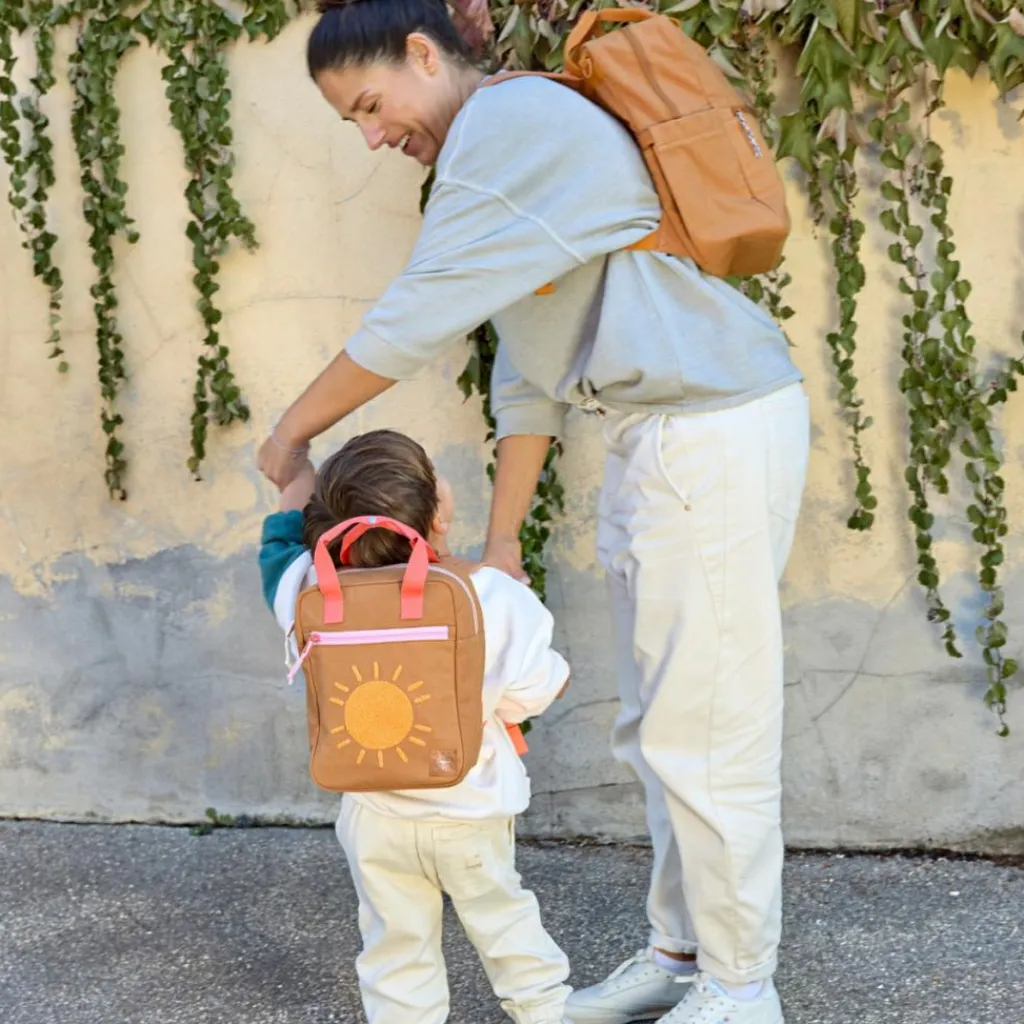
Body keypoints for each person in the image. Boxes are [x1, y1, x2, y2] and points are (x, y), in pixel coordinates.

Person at [257, 3, 810, 1023]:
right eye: (355, 125)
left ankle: (742, 989)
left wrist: (289, 437)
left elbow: (416, 315)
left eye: (373, 106)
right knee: (660, 725)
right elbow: (527, 369)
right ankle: (685, 955)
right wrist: (502, 542)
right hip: (659, 435)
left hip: (711, 428)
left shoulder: (512, 130)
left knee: (710, 728)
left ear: (425, 53)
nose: (376, 138)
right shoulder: (493, 162)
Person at [259, 428, 573, 1024]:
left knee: (396, 949)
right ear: (438, 514)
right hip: (472, 811)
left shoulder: (305, 587)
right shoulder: (490, 595)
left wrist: (294, 477)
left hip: (375, 819)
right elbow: (534, 690)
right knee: (507, 928)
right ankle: (547, 1013)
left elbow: (276, 545)